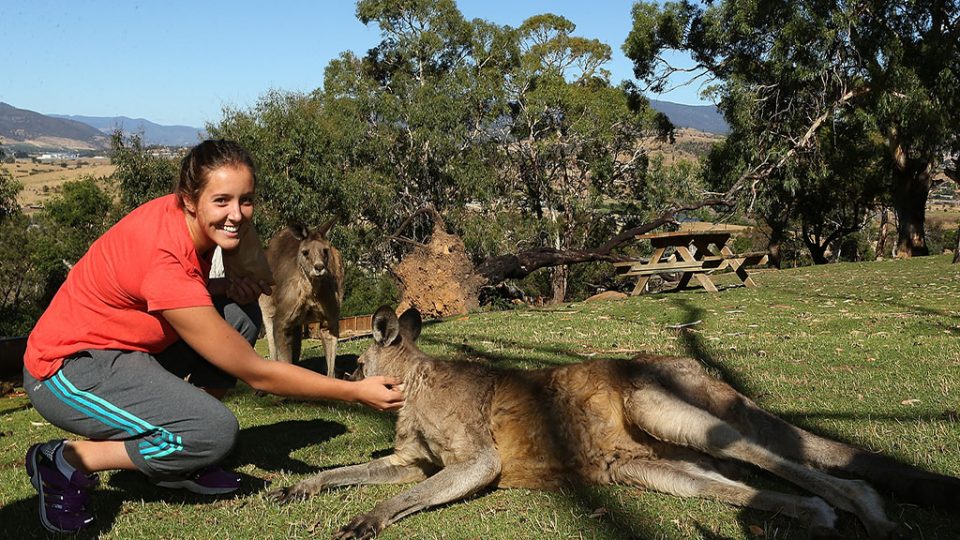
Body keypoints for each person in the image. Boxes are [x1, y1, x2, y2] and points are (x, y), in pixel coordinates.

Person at [21, 139, 404, 534]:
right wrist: (356, 392)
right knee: (215, 433)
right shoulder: (164, 256)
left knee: (240, 314)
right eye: (222, 201)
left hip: (127, 350)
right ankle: (65, 460)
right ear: (190, 200)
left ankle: (179, 458)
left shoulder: (186, 225)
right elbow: (258, 374)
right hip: (65, 371)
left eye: (246, 200)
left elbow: (172, 295)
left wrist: (220, 290)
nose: (236, 215)